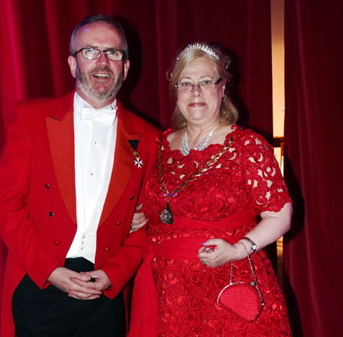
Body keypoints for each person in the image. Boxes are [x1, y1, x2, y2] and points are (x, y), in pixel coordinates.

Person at [0, 14, 159, 337]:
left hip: (104, 291)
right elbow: (6, 203)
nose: (102, 61)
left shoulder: (150, 139)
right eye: (90, 51)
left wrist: (113, 274)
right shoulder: (30, 118)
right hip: (38, 280)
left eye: (113, 53)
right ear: (72, 64)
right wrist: (50, 270)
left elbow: (148, 222)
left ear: (125, 67)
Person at [128, 42, 293, 336]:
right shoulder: (159, 145)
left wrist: (239, 249)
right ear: (175, 90)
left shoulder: (247, 146)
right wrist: (141, 215)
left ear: (222, 88)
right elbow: (154, 205)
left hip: (229, 287)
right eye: (186, 83)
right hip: (167, 292)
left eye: (205, 82)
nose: (195, 92)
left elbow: (280, 215)